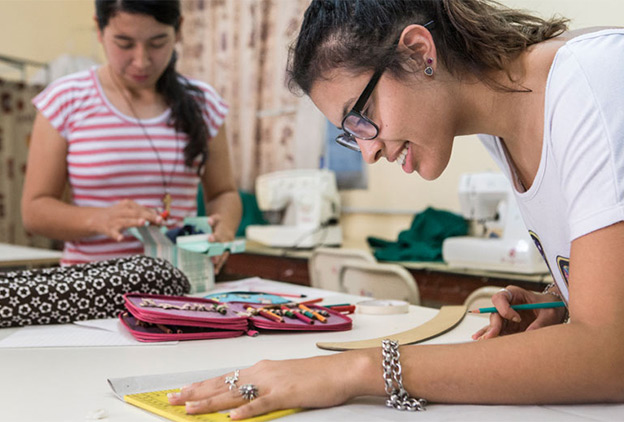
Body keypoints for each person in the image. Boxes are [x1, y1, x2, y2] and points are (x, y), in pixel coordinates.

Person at [167, 0, 624, 419]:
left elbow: (608, 354)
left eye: (361, 116)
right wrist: (562, 297)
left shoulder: (594, 76)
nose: (368, 151)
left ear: (418, 51)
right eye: (352, 133)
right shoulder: (500, 128)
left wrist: (357, 369)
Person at [21, 0, 241, 273]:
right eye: (124, 44)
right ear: (99, 30)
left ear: (179, 30)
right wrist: (101, 219)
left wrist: (224, 229)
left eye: (157, 43)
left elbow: (224, 193)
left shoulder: (203, 103)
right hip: (92, 284)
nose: (141, 61)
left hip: (180, 284)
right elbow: (35, 211)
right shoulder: (65, 100)